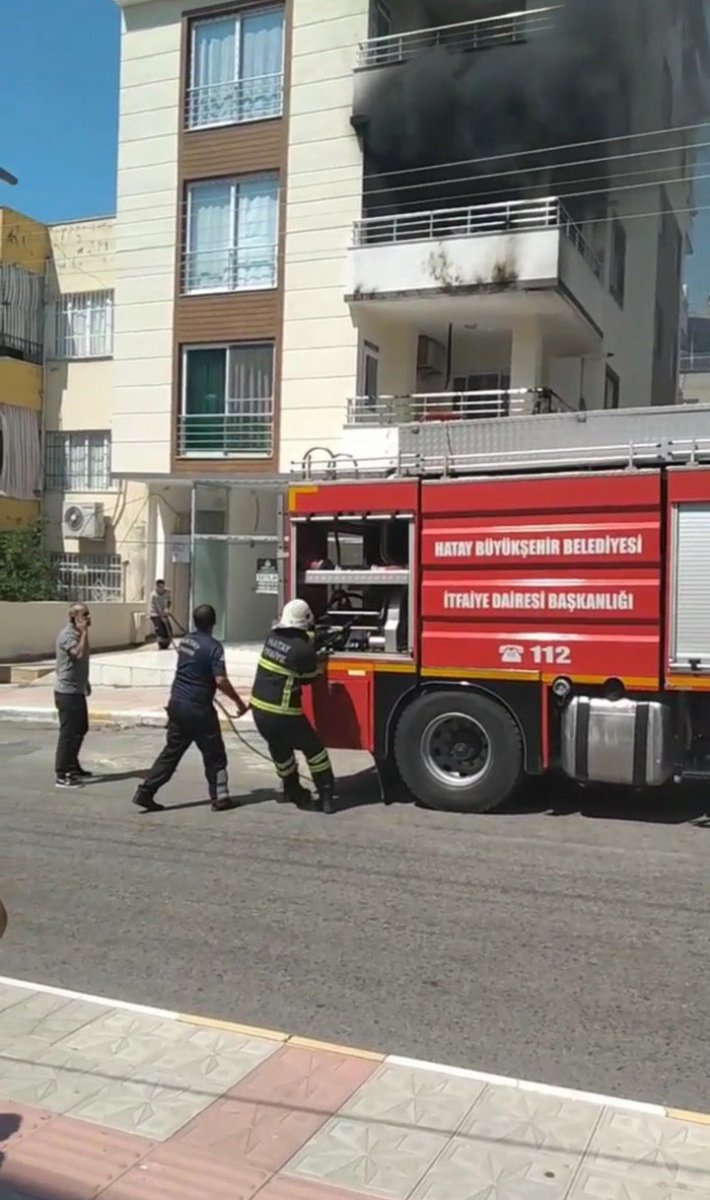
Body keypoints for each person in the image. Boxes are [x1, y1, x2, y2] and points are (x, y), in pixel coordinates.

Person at [131, 604, 248, 813]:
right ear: (214, 622)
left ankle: (145, 792)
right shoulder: (214, 647)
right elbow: (220, 679)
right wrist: (239, 702)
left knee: (171, 754)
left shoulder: (186, 642)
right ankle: (221, 797)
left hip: (177, 704)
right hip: (199, 708)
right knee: (215, 755)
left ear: (195, 622)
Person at [251, 598, 335, 815]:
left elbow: (293, 643)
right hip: (284, 712)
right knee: (315, 751)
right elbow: (309, 676)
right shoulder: (304, 651)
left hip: (259, 711)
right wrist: (321, 661)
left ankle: (292, 789)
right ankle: (326, 796)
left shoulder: (271, 638)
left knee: (279, 749)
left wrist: (316, 637)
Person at [54, 603, 92, 789]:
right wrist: (84, 633)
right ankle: (61, 774)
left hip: (77, 689)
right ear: (74, 617)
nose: (88, 617)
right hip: (66, 692)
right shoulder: (68, 635)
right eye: (84, 615)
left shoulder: (78, 633)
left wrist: (86, 682)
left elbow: (80, 663)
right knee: (68, 734)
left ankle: (72, 765)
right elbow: (77, 654)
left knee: (82, 728)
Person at [149, 579, 172, 649]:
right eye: (159, 587)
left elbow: (169, 601)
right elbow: (157, 607)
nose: (161, 589)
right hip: (155, 613)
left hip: (163, 612)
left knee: (168, 628)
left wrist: (167, 609)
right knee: (161, 629)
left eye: (162, 587)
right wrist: (162, 617)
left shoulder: (167, 591)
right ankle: (161, 644)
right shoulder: (154, 595)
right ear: (156, 587)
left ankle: (167, 644)